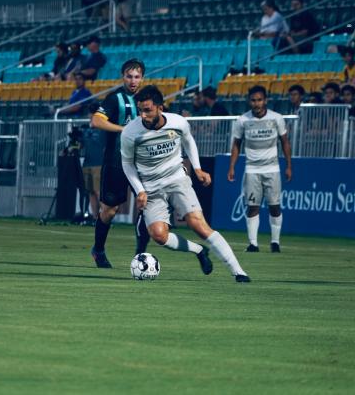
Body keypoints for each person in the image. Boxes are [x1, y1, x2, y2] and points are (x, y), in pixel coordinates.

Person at [121, 85, 251, 283]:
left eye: (147, 110)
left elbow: (189, 141)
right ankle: (199, 251)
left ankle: (239, 272)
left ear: (160, 108)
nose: (143, 115)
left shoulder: (178, 122)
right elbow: (127, 163)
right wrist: (139, 190)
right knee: (158, 236)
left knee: (198, 224)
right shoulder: (130, 132)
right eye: (140, 110)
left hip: (177, 179)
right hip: (150, 187)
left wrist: (197, 169)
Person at [89, 58, 149, 268]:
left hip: (142, 163)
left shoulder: (148, 100)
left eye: (137, 76)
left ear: (142, 77)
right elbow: (96, 121)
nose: (133, 80)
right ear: (123, 77)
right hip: (116, 162)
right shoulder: (114, 99)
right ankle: (98, 249)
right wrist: (125, 130)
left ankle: (140, 256)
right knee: (109, 211)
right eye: (129, 76)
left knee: (146, 206)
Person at [228, 85, 292, 253]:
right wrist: (232, 167)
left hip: (272, 169)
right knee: (252, 206)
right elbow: (236, 144)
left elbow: (285, 142)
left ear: (265, 100)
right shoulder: (243, 120)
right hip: (252, 170)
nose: (256, 103)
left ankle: (275, 242)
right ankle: (253, 243)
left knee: (275, 205)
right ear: (249, 101)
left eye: (259, 100)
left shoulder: (276, 118)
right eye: (253, 100)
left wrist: (289, 166)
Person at [81, 113, 105, 220]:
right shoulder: (85, 131)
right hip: (87, 163)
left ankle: (105, 217)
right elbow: (81, 145)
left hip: (98, 163)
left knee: (98, 191)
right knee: (90, 191)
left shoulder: (103, 130)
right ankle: (96, 218)